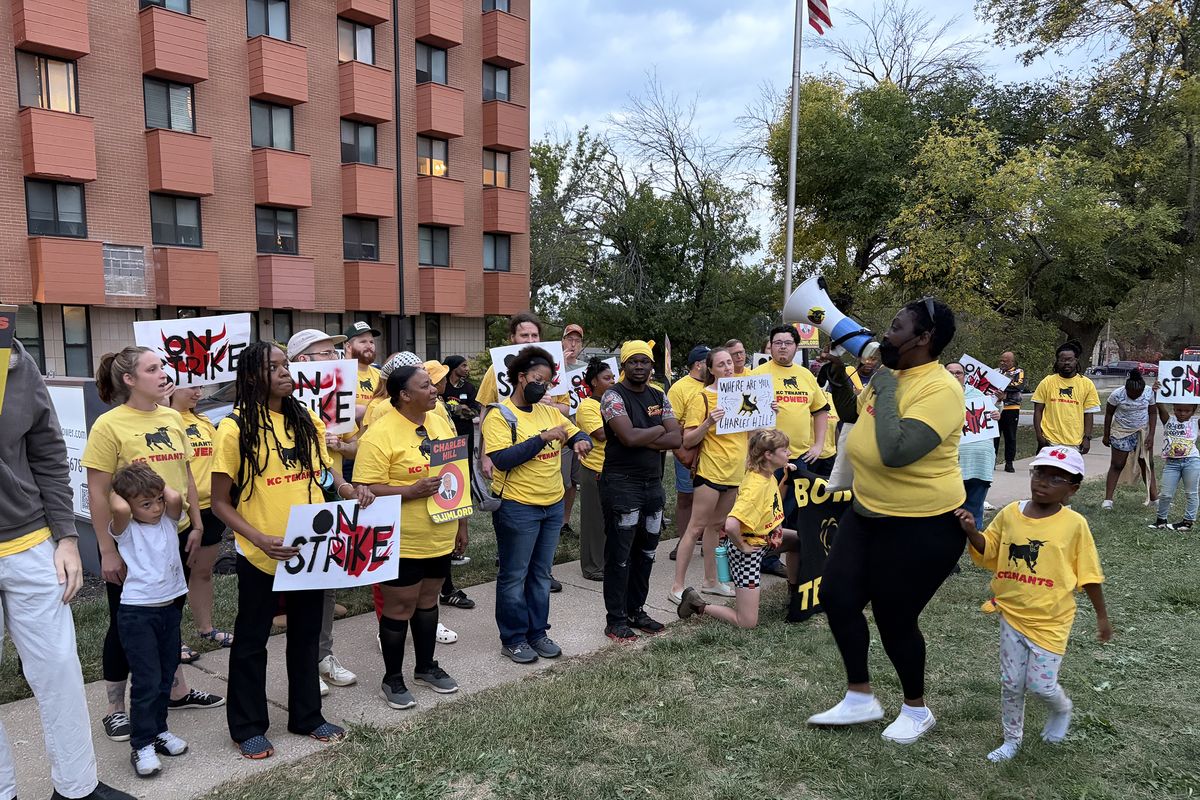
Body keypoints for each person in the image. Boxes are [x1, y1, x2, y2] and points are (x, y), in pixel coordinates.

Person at [807, 298, 965, 745]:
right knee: (837, 596)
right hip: (866, 511)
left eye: (896, 327)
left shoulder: (940, 389)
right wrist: (838, 376)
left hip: (923, 525)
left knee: (895, 618)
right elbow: (857, 418)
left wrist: (887, 382)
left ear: (924, 338)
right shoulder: (888, 377)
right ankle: (860, 695)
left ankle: (916, 708)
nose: (885, 334)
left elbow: (897, 452)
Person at [210, 341, 372, 759]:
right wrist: (259, 538)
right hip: (263, 554)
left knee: (305, 635)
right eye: (273, 367)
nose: (285, 372)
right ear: (250, 376)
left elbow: (323, 470)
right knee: (252, 640)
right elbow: (220, 502)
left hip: (310, 550)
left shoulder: (305, 419)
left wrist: (345, 487)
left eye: (286, 365)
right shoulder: (234, 428)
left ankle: (307, 716)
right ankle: (247, 726)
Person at [0, 337, 136, 800]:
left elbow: (47, 449)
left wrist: (65, 535)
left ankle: (77, 788)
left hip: (29, 542)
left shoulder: (13, 354)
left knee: (59, 670)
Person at [83, 347, 223, 745]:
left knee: (167, 618)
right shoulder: (109, 425)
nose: (164, 373)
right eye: (153, 368)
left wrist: (195, 523)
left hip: (174, 535)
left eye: (162, 366)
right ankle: (115, 709)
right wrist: (107, 551)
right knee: (125, 624)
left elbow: (187, 478)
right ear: (130, 380)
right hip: (130, 544)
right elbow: (97, 492)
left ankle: (174, 693)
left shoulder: (172, 418)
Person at [956, 446, 1111, 762]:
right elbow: (990, 551)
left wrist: (1102, 617)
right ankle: (1012, 739)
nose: (1043, 482)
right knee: (1012, 683)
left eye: (1056, 478)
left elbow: (1089, 574)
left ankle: (1061, 708)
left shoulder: (1075, 525)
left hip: (1051, 619)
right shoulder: (1011, 513)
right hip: (1012, 615)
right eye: (1039, 472)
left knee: (1040, 685)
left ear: (1072, 489)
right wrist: (972, 531)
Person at [354, 365, 465, 709]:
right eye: (425, 386)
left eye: (432, 384)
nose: (434, 390)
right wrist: (409, 491)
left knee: (429, 601)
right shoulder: (380, 433)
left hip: (440, 531)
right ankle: (393, 678)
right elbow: (366, 488)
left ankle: (426, 667)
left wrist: (462, 523)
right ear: (404, 395)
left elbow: (455, 474)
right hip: (401, 537)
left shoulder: (440, 422)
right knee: (400, 607)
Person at [482, 345, 592, 664]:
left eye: (547, 382)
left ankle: (537, 632)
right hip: (518, 507)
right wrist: (543, 438)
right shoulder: (499, 414)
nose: (542, 387)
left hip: (552, 504)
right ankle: (513, 638)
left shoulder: (549, 411)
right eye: (537, 379)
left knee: (541, 574)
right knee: (515, 575)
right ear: (520, 377)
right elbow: (502, 459)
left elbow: (572, 432)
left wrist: (580, 439)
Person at [286, 330, 361, 695]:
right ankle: (302, 664)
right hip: (294, 503)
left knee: (328, 581)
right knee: (301, 587)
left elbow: (356, 448)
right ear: (302, 362)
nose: (335, 356)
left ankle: (323, 656)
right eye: (326, 352)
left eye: (334, 350)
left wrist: (341, 471)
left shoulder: (336, 400)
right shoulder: (283, 406)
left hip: (329, 496)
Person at [107, 464, 190, 778]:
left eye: (157, 500)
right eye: (146, 504)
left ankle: (159, 730)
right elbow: (116, 505)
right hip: (138, 614)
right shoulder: (125, 529)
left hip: (169, 611)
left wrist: (151, 475)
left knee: (165, 675)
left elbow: (174, 497)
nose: (156, 507)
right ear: (129, 505)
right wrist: (122, 482)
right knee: (146, 681)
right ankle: (141, 743)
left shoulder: (168, 520)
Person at [476, 312, 568, 593]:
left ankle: (542, 570)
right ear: (512, 339)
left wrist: (548, 403)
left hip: (546, 452)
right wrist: (485, 454)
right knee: (514, 551)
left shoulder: (553, 370)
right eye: (523, 335)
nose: (529, 339)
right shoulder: (496, 370)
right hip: (508, 447)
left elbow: (566, 410)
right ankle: (511, 557)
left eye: (534, 335)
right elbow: (484, 408)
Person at [599, 341, 682, 642]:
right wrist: (658, 429)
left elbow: (677, 438)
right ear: (623, 365)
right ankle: (616, 619)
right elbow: (628, 437)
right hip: (621, 484)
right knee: (620, 556)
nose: (639, 366)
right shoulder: (612, 396)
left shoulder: (659, 394)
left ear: (651, 365)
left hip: (652, 484)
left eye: (644, 361)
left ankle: (637, 610)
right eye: (632, 361)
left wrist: (644, 434)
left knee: (646, 552)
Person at [677, 429, 795, 629]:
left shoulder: (767, 475)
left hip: (765, 540)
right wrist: (743, 547)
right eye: (785, 450)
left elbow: (773, 503)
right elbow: (731, 525)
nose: (790, 453)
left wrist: (785, 479)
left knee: (799, 540)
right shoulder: (755, 486)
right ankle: (697, 605)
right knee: (747, 622)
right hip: (748, 551)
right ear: (768, 455)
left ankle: (795, 594)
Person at [752, 325, 830, 578]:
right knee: (769, 509)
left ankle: (795, 554)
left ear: (796, 347)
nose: (782, 346)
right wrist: (763, 411)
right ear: (770, 345)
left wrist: (818, 445)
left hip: (799, 457)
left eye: (787, 342)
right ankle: (765, 558)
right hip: (767, 459)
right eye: (777, 342)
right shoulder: (758, 374)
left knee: (796, 510)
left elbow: (821, 410)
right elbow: (742, 413)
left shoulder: (806, 375)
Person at [669, 347, 747, 602]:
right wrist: (707, 423)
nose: (728, 368)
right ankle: (677, 586)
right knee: (696, 528)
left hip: (735, 473)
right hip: (710, 472)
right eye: (721, 364)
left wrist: (769, 413)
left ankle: (711, 581)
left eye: (729, 363)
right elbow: (688, 439)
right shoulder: (701, 398)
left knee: (716, 526)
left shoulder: (744, 392)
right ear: (710, 369)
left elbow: (754, 435)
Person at [167, 386, 231, 648]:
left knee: (203, 572)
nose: (198, 392)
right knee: (174, 577)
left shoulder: (204, 421)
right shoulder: (165, 420)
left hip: (211, 507)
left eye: (200, 386)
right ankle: (173, 639)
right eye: (191, 387)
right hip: (180, 511)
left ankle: (205, 628)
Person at [946, 362, 1001, 530]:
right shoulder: (936, 396)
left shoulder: (978, 395)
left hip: (980, 462)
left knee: (975, 507)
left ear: (965, 376)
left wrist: (996, 413)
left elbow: (992, 415)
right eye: (951, 373)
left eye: (958, 373)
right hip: (951, 463)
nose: (955, 376)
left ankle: (974, 540)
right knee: (951, 509)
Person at [667, 345, 708, 561]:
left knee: (712, 496)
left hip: (714, 450)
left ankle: (709, 542)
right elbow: (671, 423)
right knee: (686, 496)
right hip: (689, 449)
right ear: (698, 364)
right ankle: (684, 541)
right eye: (708, 362)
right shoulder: (679, 388)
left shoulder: (717, 384)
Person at [576, 358, 615, 581]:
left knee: (612, 519)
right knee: (594, 521)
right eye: (606, 378)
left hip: (616, 468)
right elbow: (600, 434)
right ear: (594, 381)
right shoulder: (588, 406)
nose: (612, 381)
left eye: (613, 378)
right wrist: (626, 428)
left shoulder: (616, 401)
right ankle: (592, 566)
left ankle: (609, 560)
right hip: (595, 469)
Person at [1102, 369, 1158, 510]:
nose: (1134, 396)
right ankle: (1108, 500)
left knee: (1146, 464)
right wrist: (1106, 434)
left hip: (1142, 432)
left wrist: (1151, 435)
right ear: (1126, 389)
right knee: (1117, 464)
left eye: (1137, 394)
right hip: (1121, 431)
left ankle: (1154, 498)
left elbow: (1152, 413)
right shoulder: (1117, 394)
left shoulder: (1148, 392)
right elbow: (1109, 414)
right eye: (1131, 394)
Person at [1032, 341, 1101, 453]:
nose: (1067, 363)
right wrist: (1039, 436)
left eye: (1070, 359)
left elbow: (1089, 413)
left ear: (1076, 361)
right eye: (1063, 360)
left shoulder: (1087, 384)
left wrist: (1087, 438)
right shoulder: (1047, 382)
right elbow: (1038, 411)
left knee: (1071, 471)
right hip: (1049, 441)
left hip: (1074, 442)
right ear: (1057, 362)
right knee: (1044, 471)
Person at [1148, 391, 1198, 531]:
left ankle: (1187, 522)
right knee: (1166, 493)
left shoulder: (1195, 423)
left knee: (1191, 493)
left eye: (1187, 411)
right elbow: (1160, 405)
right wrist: (1157, 392)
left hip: (1191, 461)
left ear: (1194, 411)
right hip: (1172, 463)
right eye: (1179, 410)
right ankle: (1161, 520)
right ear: (1174, 408)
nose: (1182, 413)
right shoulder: (1168, 420)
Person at [559, 324, 587, 536]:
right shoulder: (554, 365)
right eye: (570, 339)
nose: (573, 344)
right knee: (562, 479)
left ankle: (565, 522)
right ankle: (555, 522)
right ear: (562, 341)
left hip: (582, 429)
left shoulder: (584, 368)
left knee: (574, 482)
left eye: (577, 340)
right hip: (561, 430)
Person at [345, 320, 382, 426]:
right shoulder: (338, 375)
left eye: (371, 342)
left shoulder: (380, 375)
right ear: (348, 347)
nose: (369, 346)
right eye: (363, 342)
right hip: (345, 441)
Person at [995, 351, 1025, 472]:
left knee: (1010, 437)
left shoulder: (1018, 372)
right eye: (1001, 360)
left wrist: (1000, 385)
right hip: (996, 409)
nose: (1002, 363)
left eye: (1005, 361)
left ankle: (1009, 462)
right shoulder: (996, 371)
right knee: (994, 436)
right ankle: (992, 461)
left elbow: (1019, 386)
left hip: (1011, 408)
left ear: (1012, 361)